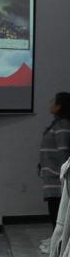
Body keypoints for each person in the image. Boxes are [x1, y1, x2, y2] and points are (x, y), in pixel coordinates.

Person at [39, 92, 70, 228]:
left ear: (59, 106)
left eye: (53, 101)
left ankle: (58, 240)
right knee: (55, 212)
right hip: (52, 177)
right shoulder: (57, 124)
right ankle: (56, 238)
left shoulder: (63, 125)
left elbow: (64, 151)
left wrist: (63, 176)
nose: (50, 103)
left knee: (58, 215)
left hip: (58, 178)